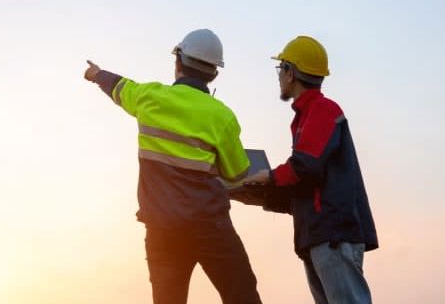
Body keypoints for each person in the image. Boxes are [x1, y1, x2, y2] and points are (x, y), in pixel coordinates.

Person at [83, 29, 262, 304]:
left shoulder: (149, 97)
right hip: (211, 228)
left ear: (178, 62)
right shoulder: (222, 116)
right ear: (214, 73)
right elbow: (237, 174)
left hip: (162, 230)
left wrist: (97, 74)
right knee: (241, 294)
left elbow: (118, 86)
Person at [235, 35, 377, 304]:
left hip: (333, 235)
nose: (278, 76)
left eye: (281, 69)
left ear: (291, 72)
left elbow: (306, 167)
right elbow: (309, 187)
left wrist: (270, 177)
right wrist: (259, 194)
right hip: (318, 236)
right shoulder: (308, 115)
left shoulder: (323, 110)